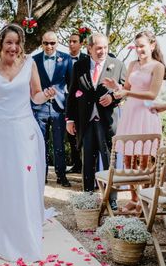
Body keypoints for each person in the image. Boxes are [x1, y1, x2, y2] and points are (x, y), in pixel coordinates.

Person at [0, 24, 56, 262]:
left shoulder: (30, 64)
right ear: (0, 44)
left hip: (23, 132)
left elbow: (35, 95)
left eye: (17, 42)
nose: (13, 47)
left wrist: (45, 95)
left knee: (22, 182)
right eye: (9, 42)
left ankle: (22, 232)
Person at [102, 31, 166, 213]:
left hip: (146, 112)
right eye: (136, 46)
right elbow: (127, 88)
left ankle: (144, 200)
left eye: (142, 46)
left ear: (152, 45)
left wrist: (127, 93)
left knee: (144, 161)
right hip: (130, 112)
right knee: (129, 159)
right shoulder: (132, 64)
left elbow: (152, 94)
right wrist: (116, 87)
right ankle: (134, 198)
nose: (139, 49)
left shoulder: (157, 66)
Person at [65, 33, 126, 211]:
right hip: (86, 120)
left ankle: (111, 198)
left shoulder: (118, 65)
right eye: (98, 48)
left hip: (107, 120)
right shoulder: (79, 66)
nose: (102, 51)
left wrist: (113, 97)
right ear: (89, 48)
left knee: (110, 160)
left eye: (105, 47)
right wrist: (70, 119)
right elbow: (72, 94)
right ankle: (88, 197)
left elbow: (125, 90)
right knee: (87, 159)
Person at [32, 31, 72, 186]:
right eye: (46, 43)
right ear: (41, 43)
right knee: (40, 144)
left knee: (59, 144)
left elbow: (71, 83)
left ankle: (61, 175)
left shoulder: (66, 59)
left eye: (52, 43)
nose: (49, 46)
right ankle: (41, 175)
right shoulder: (34, 60)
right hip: (39, 106)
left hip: (58, 107)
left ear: (57, 43)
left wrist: (68, 106)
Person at [66, 32, 85, 173]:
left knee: (83, 135)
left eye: (74, 41)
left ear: (81, 44)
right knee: (70, 135)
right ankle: (76, 164)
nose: (71, 44)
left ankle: (87, 164)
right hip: (67, 101)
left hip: (83, 103)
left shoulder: (86, 59)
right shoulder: (63, 59)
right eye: (70, 41)